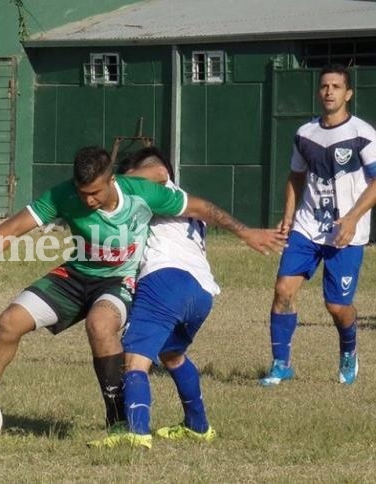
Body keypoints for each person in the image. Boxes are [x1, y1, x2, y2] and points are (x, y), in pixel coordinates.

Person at [0, 146, 285, 431]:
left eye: (96, 192)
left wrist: (246, 233)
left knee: (101, 324)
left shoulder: (140, 193)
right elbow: (14, 225)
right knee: (8, 322)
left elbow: (199, 207)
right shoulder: (63, 194)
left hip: (119, 281)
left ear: (112, 179)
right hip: (76, 275)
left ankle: (118, 423)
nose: (89, 199)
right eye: (83, 193)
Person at [87, 147, 281, 450]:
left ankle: (136, 434)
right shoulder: (183, 201)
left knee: (135, 360)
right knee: (172, 354)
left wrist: (114, 181)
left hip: (165, 279)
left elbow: (157, 170)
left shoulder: (154, 186)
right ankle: (198, 425)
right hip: (201, 292)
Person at [259, 64, 376, 387]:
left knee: (337, 306)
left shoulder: (363, 134)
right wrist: (288, 215)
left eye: (336, 87)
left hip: (345, 233)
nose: (329, 91)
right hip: (308, 227)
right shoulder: (305, 134)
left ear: (348, 94)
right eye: (324, 86)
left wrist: (352, 218)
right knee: (283, 290)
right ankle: (281, 364)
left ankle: (349, 350)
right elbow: (296, 176)